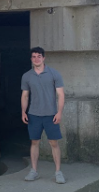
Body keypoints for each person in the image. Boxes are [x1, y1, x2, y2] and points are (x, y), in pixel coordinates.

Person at [20, 47, 66, 184]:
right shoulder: (27, 76)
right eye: (33, 57)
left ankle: (58, 172)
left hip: (51, 115)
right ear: (31, 59)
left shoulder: (54, 74)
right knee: (34, 142)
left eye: (39, 56)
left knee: (54, 143)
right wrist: (23, 111)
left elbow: (61, 94)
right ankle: (34, 171)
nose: (36, 59)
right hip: (34, 114)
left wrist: (59, 112)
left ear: (43, 58)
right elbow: (25, 95)